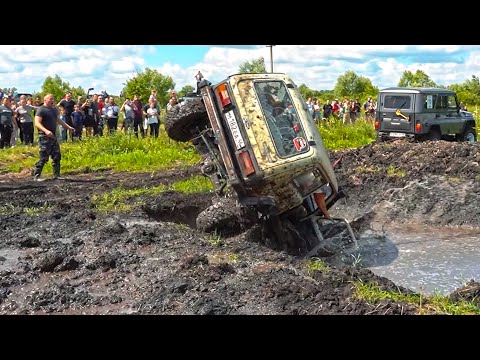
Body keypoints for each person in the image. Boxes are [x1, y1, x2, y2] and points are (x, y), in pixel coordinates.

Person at [32, 94, 75, 181]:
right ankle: (36, 176)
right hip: (44, 136)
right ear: (45, 100)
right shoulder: (41, 110)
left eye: (53, 99)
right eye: (50, 99)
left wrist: (68, 127)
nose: (52, 101)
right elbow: (37, 123)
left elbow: (59, 120)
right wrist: (46, 131)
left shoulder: (54, 109)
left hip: (53, 136)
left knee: (56, 155)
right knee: (43, 157)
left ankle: (57, 175)